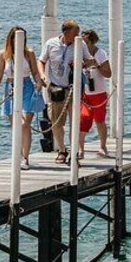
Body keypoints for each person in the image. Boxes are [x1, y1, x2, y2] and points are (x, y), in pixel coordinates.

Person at [38, 19, 96, 164]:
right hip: (56, 88)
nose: (78, 36)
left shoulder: (80, 44)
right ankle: (62, 150)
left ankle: (74, 152)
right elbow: (41, 61)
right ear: (66, 32)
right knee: (56, 122)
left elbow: (91, 61)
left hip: (73, 88)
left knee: (75, 121)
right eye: (75, 32)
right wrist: (43, 75)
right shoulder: (51, 43)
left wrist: (81, 64)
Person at [0, 26, 46, 170]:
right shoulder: (4, 54)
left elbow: (34, 72)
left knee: (24, 124)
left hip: (27, 86)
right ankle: (19, 155)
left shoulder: (29, 53)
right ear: (11, 38)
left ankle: (25, 157)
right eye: (16, 37)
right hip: (10, 87)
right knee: (16, 126)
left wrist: (39, 81)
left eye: (23, 37)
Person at [78, 29, 113, 158]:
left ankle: (103, 146)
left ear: (91, 42)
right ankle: (81, 149)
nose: (83, 44)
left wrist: (96, 65)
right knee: (83, 120)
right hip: (85, 94)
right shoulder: (79, 53)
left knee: (100, 121)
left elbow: (108, 74)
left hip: (99, 93)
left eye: (85, 41)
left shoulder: (101, 54)